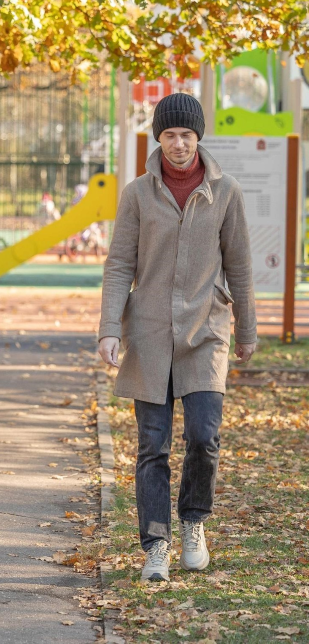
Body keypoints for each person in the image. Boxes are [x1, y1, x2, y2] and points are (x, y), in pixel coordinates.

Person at [97, 93, 256, 582]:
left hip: (206, 330)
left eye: (187, 134)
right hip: (149, 333)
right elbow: (120, 262)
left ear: (198, 137)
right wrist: (108, 329)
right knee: (153, 445)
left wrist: (247, 330)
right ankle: (156, 546)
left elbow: (240, 265)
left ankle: (193, 521)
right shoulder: (137, 194)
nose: (179, 143)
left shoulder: (226, 191)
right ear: (159, 139)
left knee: (205, 437)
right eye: (170, 135)